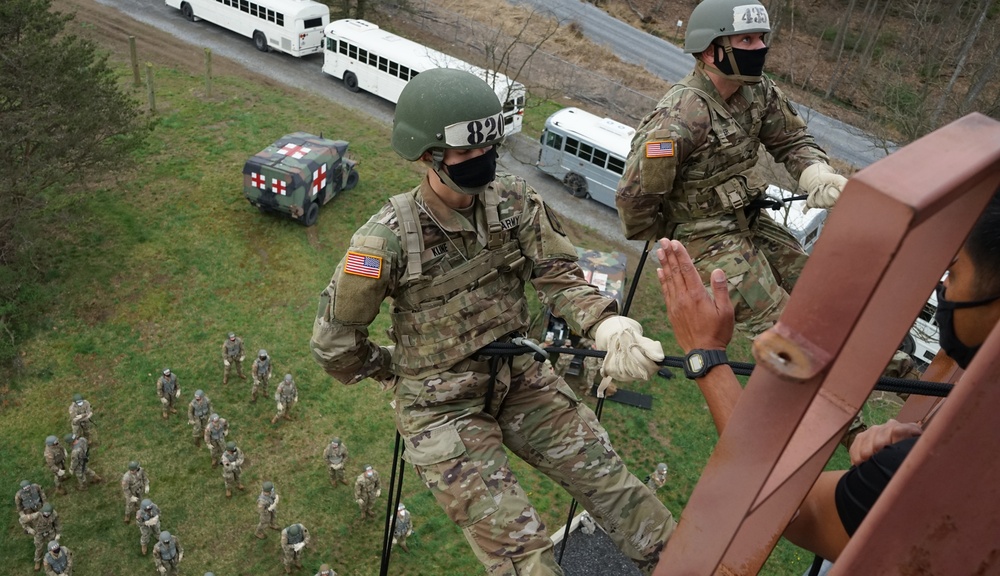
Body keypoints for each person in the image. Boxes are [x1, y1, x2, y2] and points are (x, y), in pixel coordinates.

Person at [310, 67, 675, 574]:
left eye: (488, 149)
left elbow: (558, 275)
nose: (480, 161)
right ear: (426, 155)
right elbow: (335, 345)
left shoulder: (515, 201)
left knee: (620, 492)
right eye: (464, 154)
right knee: (526, 558)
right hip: (442, 410)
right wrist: (390, 366)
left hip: (519, 378)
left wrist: (606, 326)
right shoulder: (385, 240)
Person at [654, 188, 1000, 560]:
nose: (944, 286)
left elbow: (779, 506)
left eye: (954, 269)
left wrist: (704, 353)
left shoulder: (945, 473)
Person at [617, 0, 846, 339]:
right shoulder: (679, 118)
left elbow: (791, 138)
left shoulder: (758, 90)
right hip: (703, 237)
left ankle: (907, 379)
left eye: (761, 38)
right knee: (788, 331)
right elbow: (635, 201)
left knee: (822, 296)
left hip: (749, 220)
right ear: (711, 52)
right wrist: (675, 241)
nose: (761, 48)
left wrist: (815, 172)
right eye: (747, 41)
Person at [27, 503, 61, 571]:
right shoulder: (36, 515)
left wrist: (58, 533)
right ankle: (37, 561)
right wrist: (28, 529)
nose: (47, 514)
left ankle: (54, 558)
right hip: (39, 533)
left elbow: (57, 523)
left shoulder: (53, 514)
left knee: (54, 545)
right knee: (39, 548)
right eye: (46, 513)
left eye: (48, 513)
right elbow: (22, 520)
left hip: (49, 531)